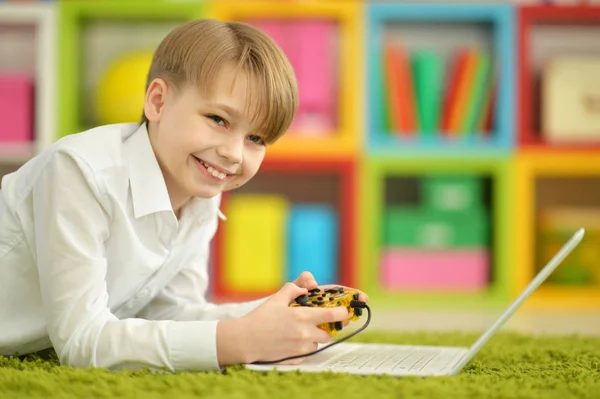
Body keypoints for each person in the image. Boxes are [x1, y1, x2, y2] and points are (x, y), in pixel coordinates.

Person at [0, 19, 368, 372]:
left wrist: (278, 315)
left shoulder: (201, 189)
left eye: (256, 139)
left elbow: (171, 314)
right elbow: (83, 341)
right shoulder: (79, 171)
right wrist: (240, 340)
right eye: (218, 120)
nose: (234, 154)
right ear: (158, 102)